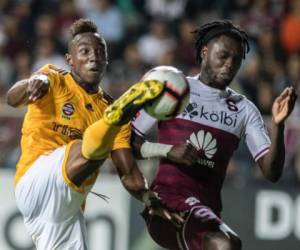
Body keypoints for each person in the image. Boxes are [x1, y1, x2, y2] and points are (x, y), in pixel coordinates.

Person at [6, 19, 182, 250]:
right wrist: (31, 82)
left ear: (106, 61)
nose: (93, 57)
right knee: (90, 145)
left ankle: (112, 121)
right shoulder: (53, 78)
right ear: (70, 60)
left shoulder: (107, 106)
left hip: (67, 206)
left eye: (100, 53)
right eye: (85, 52)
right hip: (36, 179)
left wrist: (150, 199)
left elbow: (128, 173)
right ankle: (120, 113)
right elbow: (12, 98)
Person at [131, 20, 297, 250]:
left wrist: (278, 125)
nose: (229, 65)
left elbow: (272, 172)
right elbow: (127, 141)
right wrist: (167, 151)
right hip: (166, 204)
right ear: (204, 52)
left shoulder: (244, 109)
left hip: (207, 211)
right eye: (224, 56)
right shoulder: (174, 89)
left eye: (237, 60)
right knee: (225, 244)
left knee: (227, 244)